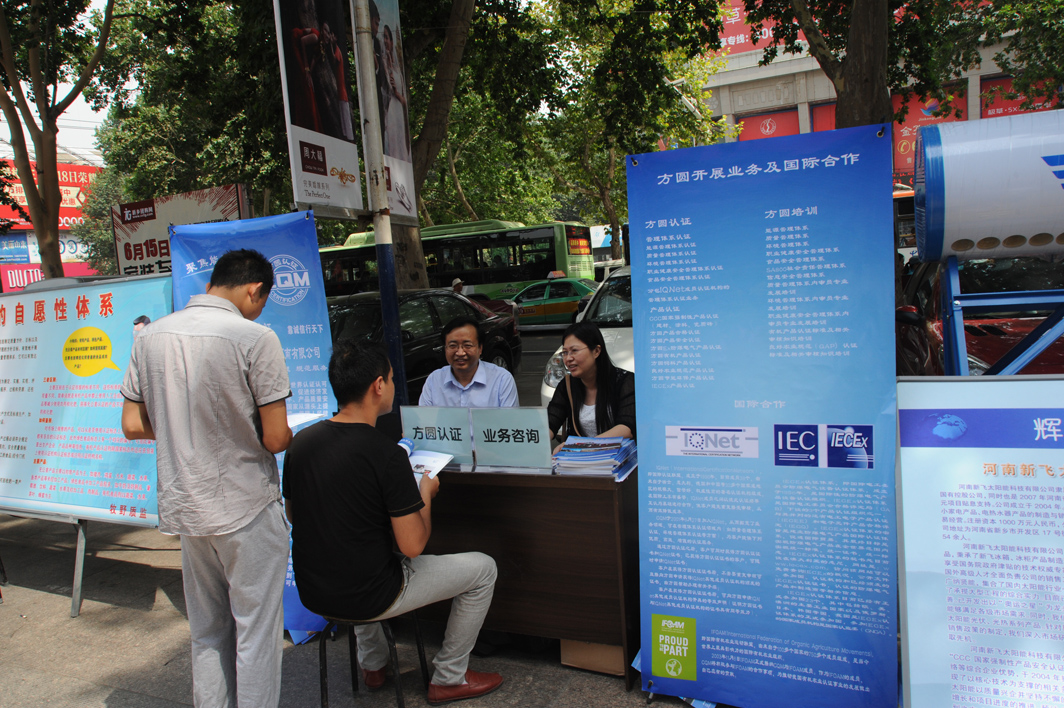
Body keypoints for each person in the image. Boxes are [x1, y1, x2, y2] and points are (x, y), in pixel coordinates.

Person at [283, 341, 503, 705]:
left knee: (359, 556)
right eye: (390, 378)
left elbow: (294, 514)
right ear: (378, 386)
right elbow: (412, 546)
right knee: (484, 569)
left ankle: (373, 665)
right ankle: (450, 677)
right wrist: (425, 493)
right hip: (372, 594)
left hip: (315, 592)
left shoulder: (301, 443)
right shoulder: (385, 454)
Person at [120, 249, 293, 707]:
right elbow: (276, 438)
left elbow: (133, 425)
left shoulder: (150, 337)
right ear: (255, 289)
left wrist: (182, 428)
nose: (260, 310)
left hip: (187, 507)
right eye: (262, 301)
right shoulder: (256, 338)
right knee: (256, 632)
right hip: (246, 504)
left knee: (208, 631)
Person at [547, 321, 636, 449]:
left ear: (596, 351)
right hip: (581, 458)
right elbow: (550, 422)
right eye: (565, 352)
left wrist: (580, 446)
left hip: (618, 457)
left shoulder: (625, 382)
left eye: (574, 351)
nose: (568, 358)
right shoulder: (567, 385)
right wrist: (534, 441)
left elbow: (626, 428)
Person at [419, 316, 518, 408]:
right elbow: (424, 419)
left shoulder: (501, 380)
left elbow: (509, 419)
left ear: (480, 348)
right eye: (453, 346)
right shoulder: (434, 380)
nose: (460, 353)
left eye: (467, 345)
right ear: (445, 349)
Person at [381, 25, 411, 161]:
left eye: (387, 37)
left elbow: (404, 100)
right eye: (384, 37)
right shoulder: (383, 62)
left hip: (400, 114)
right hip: (391, 110)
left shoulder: (398, 68)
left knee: (402, 148)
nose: (385, 40)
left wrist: (398, 94)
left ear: (392, 41)